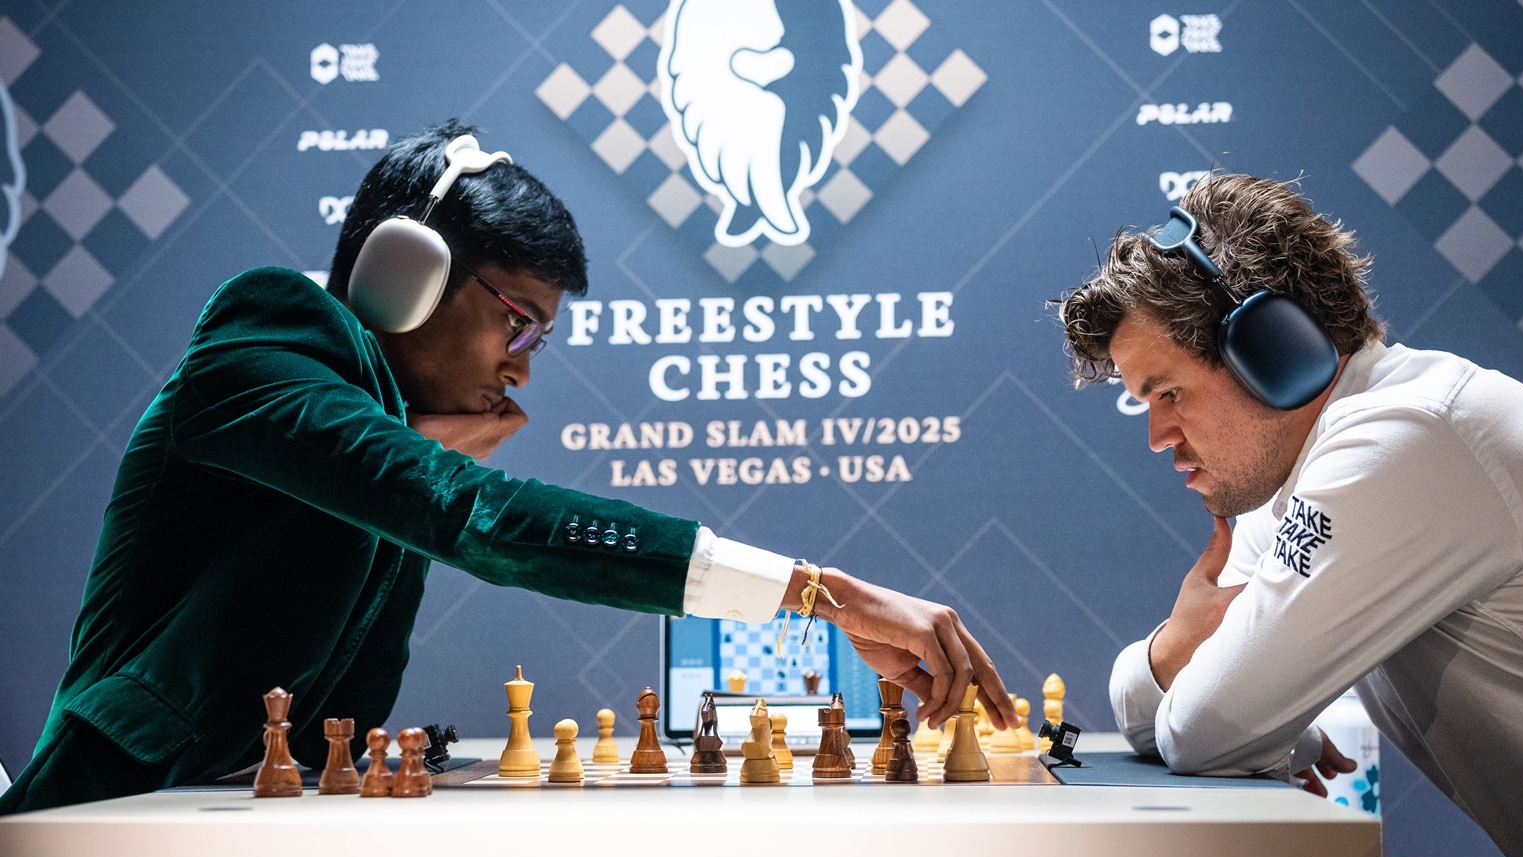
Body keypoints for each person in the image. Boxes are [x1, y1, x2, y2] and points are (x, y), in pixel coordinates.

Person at [0, 122, 1015, 815]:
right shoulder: (265, 335)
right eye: (517, 322)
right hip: (106, 811)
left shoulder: (383, 429)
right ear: (409, 273)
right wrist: (817, 595)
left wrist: (418, 440)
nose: (522, 367)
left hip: (244, 825)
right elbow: (473, 519)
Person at [1056, 173, 1523, 857]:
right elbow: (1170, 713)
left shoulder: (1404, 437)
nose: (1157, 436)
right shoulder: (1306, 473)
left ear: (1273, 351)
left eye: (1169, 393)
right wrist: (1172, 649)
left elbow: (1206, 727)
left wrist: (1242, 715)